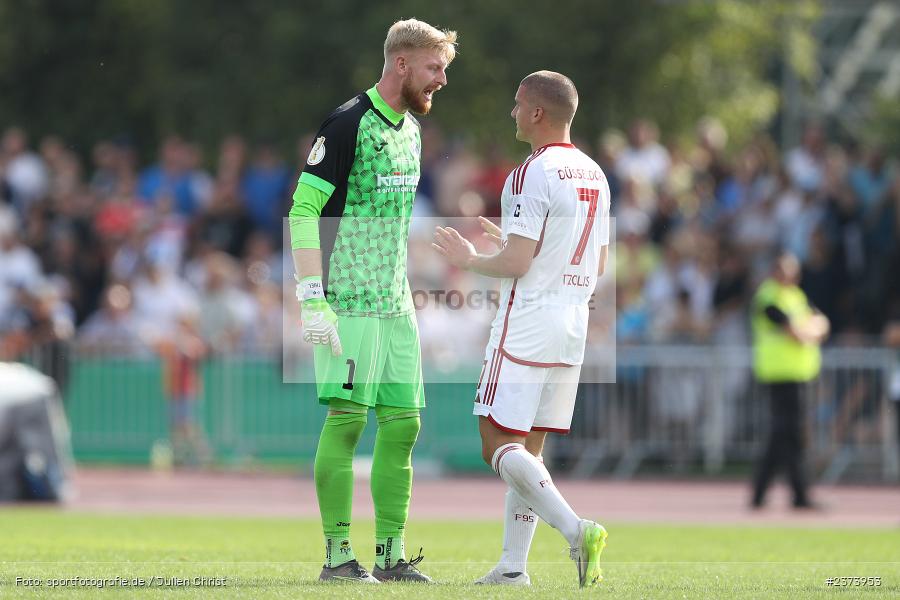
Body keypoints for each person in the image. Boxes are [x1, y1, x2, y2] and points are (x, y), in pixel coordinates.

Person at [287, 18, 456, 584]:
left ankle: (390, 555)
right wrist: (313, 299)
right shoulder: (346, 124)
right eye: (434, 68)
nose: (441, 80)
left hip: (395, 303)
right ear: (401, 63)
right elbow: (304, 211)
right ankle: (337, 556)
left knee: (404, 424)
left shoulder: (411, 129)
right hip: (349, 300)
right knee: (347, 423)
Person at [432, 71, 611, 588]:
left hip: (528, 319)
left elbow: (513, 263)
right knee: (529, 449)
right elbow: (594, 261)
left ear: (537, 113)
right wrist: (510, 241)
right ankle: (514, 567)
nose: (512, 112)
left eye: (517, 104)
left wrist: (470, 257)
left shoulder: (529, 172)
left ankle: (577, 530)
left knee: (495, 443)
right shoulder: (594, 173)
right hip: (573, 319)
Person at [750, 253, 829, 509]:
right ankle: (800, 494)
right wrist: (807, 331)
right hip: (780, 374)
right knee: (791, 436)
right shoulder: (768, 296)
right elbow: (794, 330)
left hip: (798, 374)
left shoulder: (796, 296)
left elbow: (823, 323)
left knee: (782, 435)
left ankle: (761, 492)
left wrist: (807, 331)